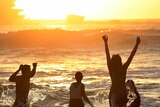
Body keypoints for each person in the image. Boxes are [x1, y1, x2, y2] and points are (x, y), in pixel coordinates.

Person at [102, 35, 140, 107]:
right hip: (114, 93)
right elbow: (107, 55)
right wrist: (105, 42)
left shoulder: (123, 68)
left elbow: (131, 56)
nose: (116, 61)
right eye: (115, 60)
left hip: (122, 93)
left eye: (117, 60)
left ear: (119, 61)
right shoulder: (111, 68)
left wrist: (137, 44)